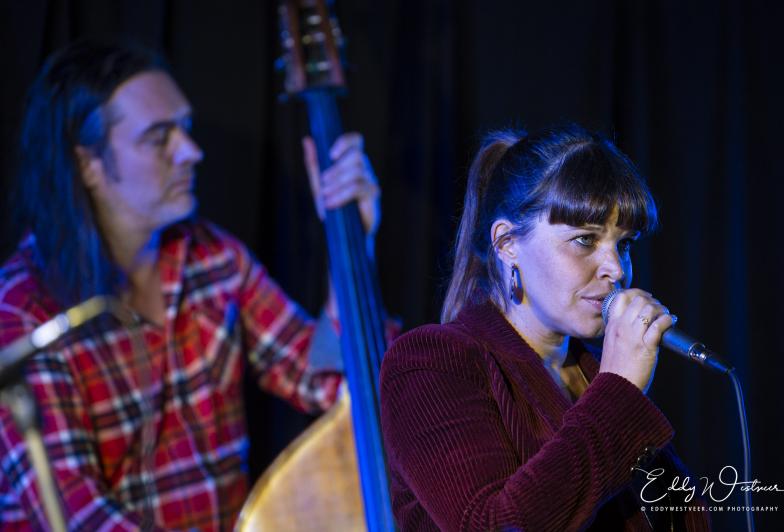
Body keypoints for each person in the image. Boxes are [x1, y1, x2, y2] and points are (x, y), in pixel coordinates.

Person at [0, 40, 380, 530]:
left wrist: (351, 243)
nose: (192, 151)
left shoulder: (213, 258)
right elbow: (78, 518)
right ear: (88, 165)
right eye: (160, 137)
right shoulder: (22, 311)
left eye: (185, 129)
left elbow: (330, 384)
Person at [379, 126, 712, 530]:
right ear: (506, 244)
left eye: (623, 244)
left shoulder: (591, 373)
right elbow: (498, 525)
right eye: (585, 240)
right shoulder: (433, 362)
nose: (616, 269)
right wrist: (619, 391)